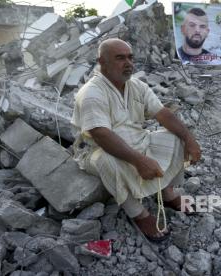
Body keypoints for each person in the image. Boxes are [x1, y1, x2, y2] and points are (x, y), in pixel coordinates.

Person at [72, 38, 201, 241]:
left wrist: (189, 138)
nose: (129, 63)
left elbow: (163, 114)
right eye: (120, 58)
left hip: (139, 141)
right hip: (99, 149)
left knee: (176, 138)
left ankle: (168, 194)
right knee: (105, 161)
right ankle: (139, 213)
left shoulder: (136, 86)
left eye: (130, 57)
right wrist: (140, 161)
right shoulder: (91, 93)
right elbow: (101, 135)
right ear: (102, 62)